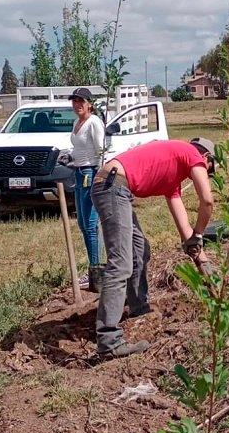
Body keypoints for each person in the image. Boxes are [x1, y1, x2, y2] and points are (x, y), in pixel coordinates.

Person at [91, 139, 216, 359]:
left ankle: (139, 309)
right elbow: (207, 201)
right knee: (120, 262)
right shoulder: (192, 154)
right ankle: (109, 341)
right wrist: (199, 233)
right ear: (206, 158)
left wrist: (203, 261)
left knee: (140, 249)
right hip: (113, 186)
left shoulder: (173, 180)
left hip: (114, 186)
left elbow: (186, 232)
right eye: (210, 170)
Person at [68, 87, 105, 289]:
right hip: (78, 173)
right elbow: (79, 148)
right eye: (74, 101)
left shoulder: (94, 123)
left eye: (80, 101)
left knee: (91, 224)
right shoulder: (77, 122)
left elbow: (100, 152)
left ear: (90, 103)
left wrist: (99, 178)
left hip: (90, 174)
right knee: (82, 223)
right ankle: (95, 266)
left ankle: (96, 270)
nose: (77, 105)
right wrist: (69, 157)